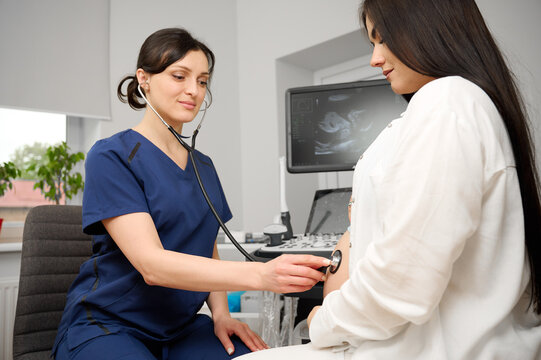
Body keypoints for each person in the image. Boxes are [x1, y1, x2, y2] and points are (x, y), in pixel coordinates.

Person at [238, 0, 541, 359]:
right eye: (372, 44)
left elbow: (403, 283)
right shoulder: (442, 109)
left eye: (384, 40)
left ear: (428, 29)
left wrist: (321, 322)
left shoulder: (447, 103)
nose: (375, 59)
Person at [52, 28, 330, 360]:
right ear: (145, 79)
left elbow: (206, 247)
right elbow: (152, 265)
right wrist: (260, 274)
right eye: (179, 76)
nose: (193, 91)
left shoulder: (203, 166)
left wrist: (222, 314)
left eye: (202, 81)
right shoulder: (111, 156)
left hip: (181, 327)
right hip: (110, 323)